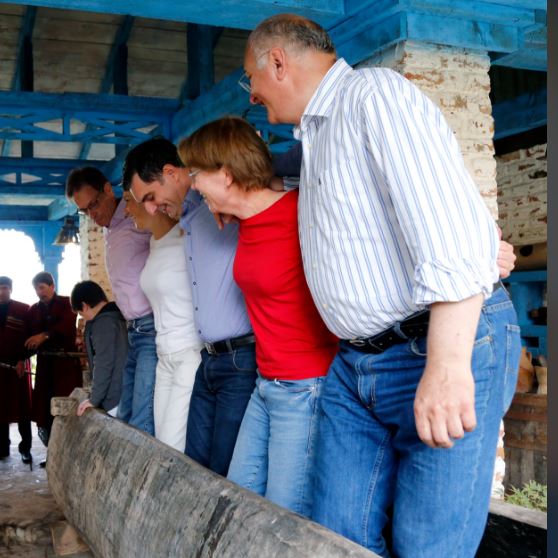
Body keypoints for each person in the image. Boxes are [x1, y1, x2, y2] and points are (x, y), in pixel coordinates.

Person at [242, 15, 520, 556]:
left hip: (429, 344)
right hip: (355, 364)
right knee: (335, 537)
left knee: (426, 546)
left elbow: (456, 238)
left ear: (277, 62)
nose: (251, 94)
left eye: (249, 78)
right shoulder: (316, 134)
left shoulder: (374, 97)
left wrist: (446, 366)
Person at [179, 116, 339, 515]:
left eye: (197, 174)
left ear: (226, 174)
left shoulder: (301, 213)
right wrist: (228, 209)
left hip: (305, 386)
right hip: (265, 383)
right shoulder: (243, 220)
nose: (193, 185)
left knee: (284, 516)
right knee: (240, 499)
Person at [122, 137, 301, 476]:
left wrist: (271, 178)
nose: (150, 208)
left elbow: (271, 176)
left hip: (242, 356)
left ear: (171, 173)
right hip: (208, 357)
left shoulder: (221, 204)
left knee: (221, 470)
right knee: (193, 464)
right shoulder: (189, 216)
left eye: (150, 197)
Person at [66, 167, 158, 436]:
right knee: (126, 414)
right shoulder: (109, 230)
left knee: (142, 417)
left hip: (151, 326)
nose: (92, 214)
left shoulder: (136, 218)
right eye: (84, 211)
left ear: (108, 189)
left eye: (93, 204)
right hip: (133, 328)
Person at [123, 189, 202, 452]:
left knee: (171, 448)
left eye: (128, 201)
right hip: (163, 356)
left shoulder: (185, 236)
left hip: (189, 353)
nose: (126, 210)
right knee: (161, 444)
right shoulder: (154, 243)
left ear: (149, 203)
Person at [25, 271, 83, 454]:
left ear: (52, 286)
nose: (39, 292)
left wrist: (45, 335)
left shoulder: (67, 303)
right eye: (36, 289)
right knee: (45, 408)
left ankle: (70, 452)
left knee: (67, 407)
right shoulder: (33, 310)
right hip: (44, 365)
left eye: (42, 287)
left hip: (65, 366)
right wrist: (21, 357)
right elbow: (29, 337)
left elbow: (66, 327)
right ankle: (53, 452)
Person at [0, 276, 33, 464]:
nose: (1, 292)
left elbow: (31, 339)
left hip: (19, 363)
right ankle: (3, 447)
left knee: (22, 407)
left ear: (11, 289)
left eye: (4, 288)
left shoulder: (24, 310)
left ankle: (26, 449)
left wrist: (22, 359)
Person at [71, 281, 127, 417]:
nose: (84, 318)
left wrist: (94, 399)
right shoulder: (118, 316)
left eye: (81, 314)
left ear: (84, 306)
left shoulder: (103, 323)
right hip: (125, 393)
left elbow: (103, 363)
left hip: (114, 398)